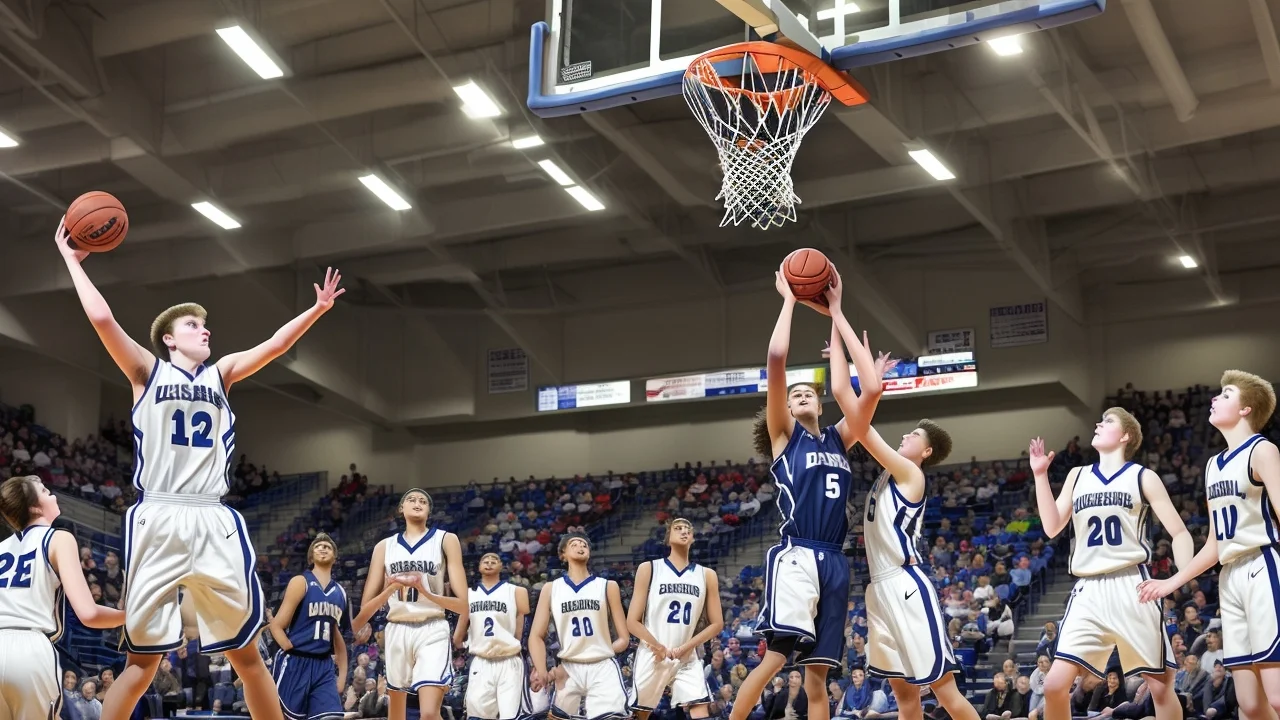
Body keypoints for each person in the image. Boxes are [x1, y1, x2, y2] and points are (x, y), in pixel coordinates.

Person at [55, 218, 346, 720]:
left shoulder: (223, 373)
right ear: (168, 340)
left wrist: (315, 310)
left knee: (248, 655)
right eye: (192, 325)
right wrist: (71, 262)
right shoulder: (146, 370)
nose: (204, 328)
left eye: (204, 324)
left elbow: (274, 345)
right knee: (142, 662)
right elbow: (103, 320)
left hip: (213, 517)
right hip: (160, 514)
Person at [731, 267, 879, 720]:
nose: (799, 396)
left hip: (835, 559)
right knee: (775, 657)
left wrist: (836, 312)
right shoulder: (784, 437)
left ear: (819, 401)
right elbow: (777, 357)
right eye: (792, 395)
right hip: (797, 555)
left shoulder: (839, 438)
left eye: (805, 392)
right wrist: (790, 300)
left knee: (818, 678)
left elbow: (869, 389)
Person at [827, 279, 978, 720]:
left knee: (945, 693)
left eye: (914, 435)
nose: (906, 435)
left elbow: (851, 404)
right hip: (879, 589)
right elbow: (850, 401)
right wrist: (859, 368)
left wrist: (842, 324)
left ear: (925, 452)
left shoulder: (909, 473)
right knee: (905, 697)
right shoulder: (888, 476)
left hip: (907, 585)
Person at [1028, 408, 1190, 720]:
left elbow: (1180, 532)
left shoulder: (1143, 477)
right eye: (1100, 420)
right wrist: (1039, 475)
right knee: (1054, 685)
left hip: (1132, 585)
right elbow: (1051, 527)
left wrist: (1177, 580)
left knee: (1159, 687)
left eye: (1109, 421)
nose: (1099, 424)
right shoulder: (1078, 476)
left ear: (1126, 435)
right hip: (1088, 589)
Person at [1140, 370, 1280, 718]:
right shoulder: (1213, 466)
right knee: (1249, 702)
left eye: (1226, 394)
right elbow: (1215, 544)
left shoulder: (1263, 451)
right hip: (1229, 577)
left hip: (1263, 566)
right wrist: (1172, 581)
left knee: (1277, 694)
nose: (1215, 399)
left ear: (1246, 409)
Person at [0, 475, 125, 718]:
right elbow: (89, 614)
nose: (54, 494)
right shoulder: (59, 537)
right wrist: (129, 617)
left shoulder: (1, 547)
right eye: (46, 491)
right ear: (35, 508)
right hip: (29, 649)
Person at [356, 488, 467, 720]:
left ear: (429, 510)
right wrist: (391, 588)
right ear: (401, 509)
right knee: (396, 715)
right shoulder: (384, 547)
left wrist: (425, 591)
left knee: (428, 713)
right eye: (411, 499)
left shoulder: (446, 540)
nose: (417, 502)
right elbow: (366, 608)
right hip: (396, 628)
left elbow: (463, 604)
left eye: (423, 501)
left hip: (432, 626)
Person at [627, 518, 725, 720]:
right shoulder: (649, 569)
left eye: (688, 529)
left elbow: (717, 623)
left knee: (700, 708)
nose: (683, 531)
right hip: (653, 654)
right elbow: (632, 621)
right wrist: (657, 646)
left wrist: (687, 647)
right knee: (640, 714)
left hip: (686, 655)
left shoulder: (707, 575)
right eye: (677, 528)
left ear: (693, 539)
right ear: (668, 538)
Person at [528, 534, 630, 720]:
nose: (580, 546)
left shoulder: (608, 586)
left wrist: (601, 651)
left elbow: (624, 638)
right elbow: (536, 636)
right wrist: (542, 670)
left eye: (584, 545)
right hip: (568, 667)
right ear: (563, 554)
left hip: (602, 666)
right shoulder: (551, 589)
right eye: (574, 544)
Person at [268, 533, 351, 720]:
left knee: (331, 717)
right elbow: (277, 625)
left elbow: (338, 639)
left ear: (335, 558)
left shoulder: (341, 593)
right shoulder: (301, 582)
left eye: (328, 547)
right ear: (310, 556)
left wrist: (342, 677)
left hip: (323, 665)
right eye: (318, 546)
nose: (323, 548)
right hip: (296, 661)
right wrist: (288, 647)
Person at [451, 552, 530, 720]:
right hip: (481, 660)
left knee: (511, 715)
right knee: (477, 715)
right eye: (485, 561)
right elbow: (460, 628)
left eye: (494, 561)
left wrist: (515, 645)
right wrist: (461, 643)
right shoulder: (468, 594)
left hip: (508, 660)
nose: (489, 563)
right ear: (479, 567)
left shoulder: (515, 591)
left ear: (501, 566)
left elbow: (520, 623)